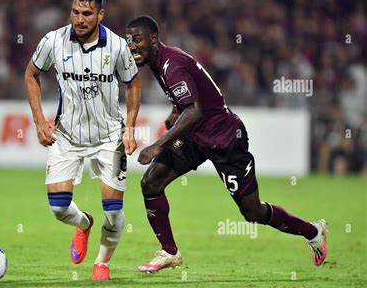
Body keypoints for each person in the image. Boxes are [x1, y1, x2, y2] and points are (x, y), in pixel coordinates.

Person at [125, 15, 327, 273]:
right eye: (129, 40)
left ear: (153, 38)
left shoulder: (170, 65)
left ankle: (313, 231)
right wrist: (175, 112)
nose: (132, 46)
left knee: (252, 212)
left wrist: (158, 144)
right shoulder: (160, 61)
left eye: (137, 40)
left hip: (225, 139)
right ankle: (169, 252)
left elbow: (195, 111)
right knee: (151, 182)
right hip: (196, 137)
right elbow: (193, 99)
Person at [24, 0, 141, 281]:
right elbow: (31, 74)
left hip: (108, 136)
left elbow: (134, 84)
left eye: (87, 13)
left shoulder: (116, 46)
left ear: (100, 14)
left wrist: (129, 127)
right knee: (58, 208)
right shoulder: (53, 41)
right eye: (75, 12)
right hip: (67, 135)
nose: (80, 19)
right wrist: (39, 120)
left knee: (113, 212)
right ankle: (84, 223)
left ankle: (102, 263)